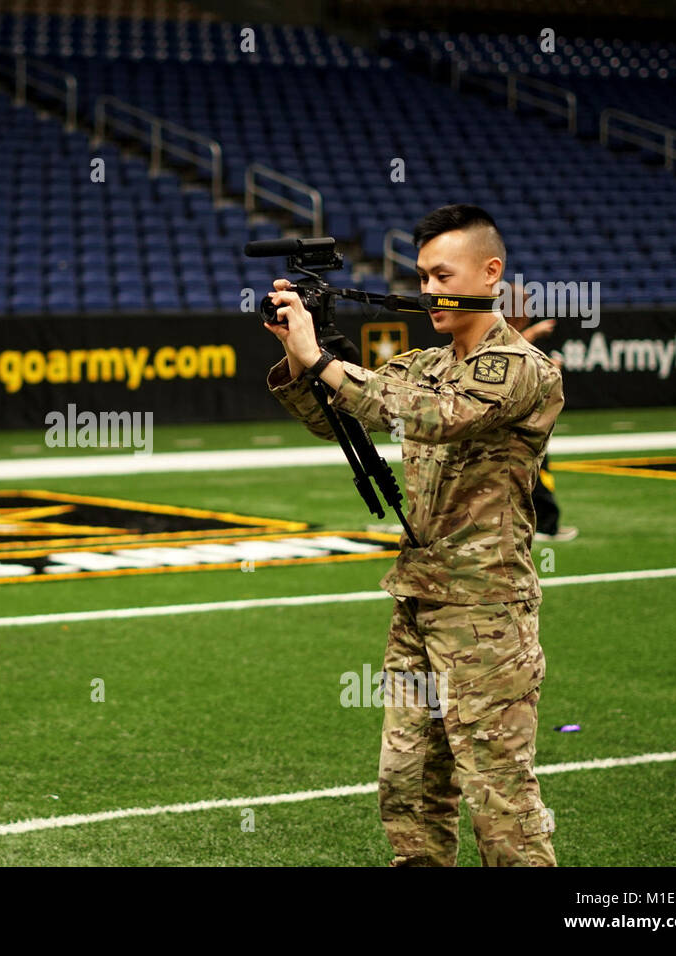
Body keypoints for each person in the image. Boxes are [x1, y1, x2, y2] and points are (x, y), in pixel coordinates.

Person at [264, 204, 562, 866]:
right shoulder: (423, 362)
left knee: (499, 801)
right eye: (421, 276)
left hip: (487, 615)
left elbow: (435, 416)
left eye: (440, 274)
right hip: (419, 604)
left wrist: (324, 360)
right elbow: (337, 414)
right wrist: (298, 355)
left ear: (491, 273)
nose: (426, 290)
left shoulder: (520, 367)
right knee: (408, 792)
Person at [505, 282, 577, 542]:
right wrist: (550, 367)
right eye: (524, 303)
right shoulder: (507, 336)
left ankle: (533, 523)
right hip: (522, 423)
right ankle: (545, 524)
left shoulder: (506, 334)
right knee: (535, 469)